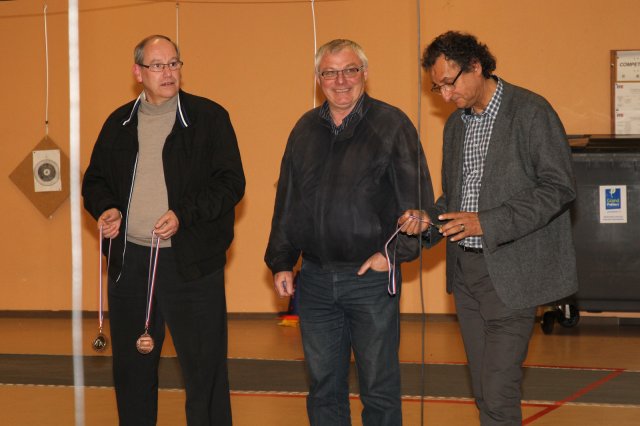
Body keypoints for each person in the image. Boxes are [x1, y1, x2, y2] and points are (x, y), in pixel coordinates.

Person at [399, 31, 578, 425]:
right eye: (437, 87)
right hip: (466, 275)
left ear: (476, 66)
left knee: (497, 394)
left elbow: (559, 187)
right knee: (484, 392)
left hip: (512, 273)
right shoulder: (455, 126)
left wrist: (487, 221)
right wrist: (430, 219)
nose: (445, 95)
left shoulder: (531, 112)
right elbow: (454, 198)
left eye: (450, 82)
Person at [264, 39, 434, 426]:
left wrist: (392, 255)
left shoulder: (392, 125)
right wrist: (282, 260)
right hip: (315, 281)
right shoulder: (304, 130)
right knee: (323, 389)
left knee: (379, 389)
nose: (340, 81)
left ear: (365, 74)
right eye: (330, 72)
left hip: (370, 281)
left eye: (350, 70)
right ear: (318, 78)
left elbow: (419, 205)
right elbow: (288, 202)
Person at [82, 34, 245, 426]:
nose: (168, 72)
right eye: (157, 65)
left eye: (174, 63)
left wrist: (183, 214)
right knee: (132, 373)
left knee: (205, 373)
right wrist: (107, 209)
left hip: (192, 264)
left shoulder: (209, 118)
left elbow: (230, 183)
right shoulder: (119, 123)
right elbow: (95, 180)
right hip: (131, 265)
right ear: (138, 72)